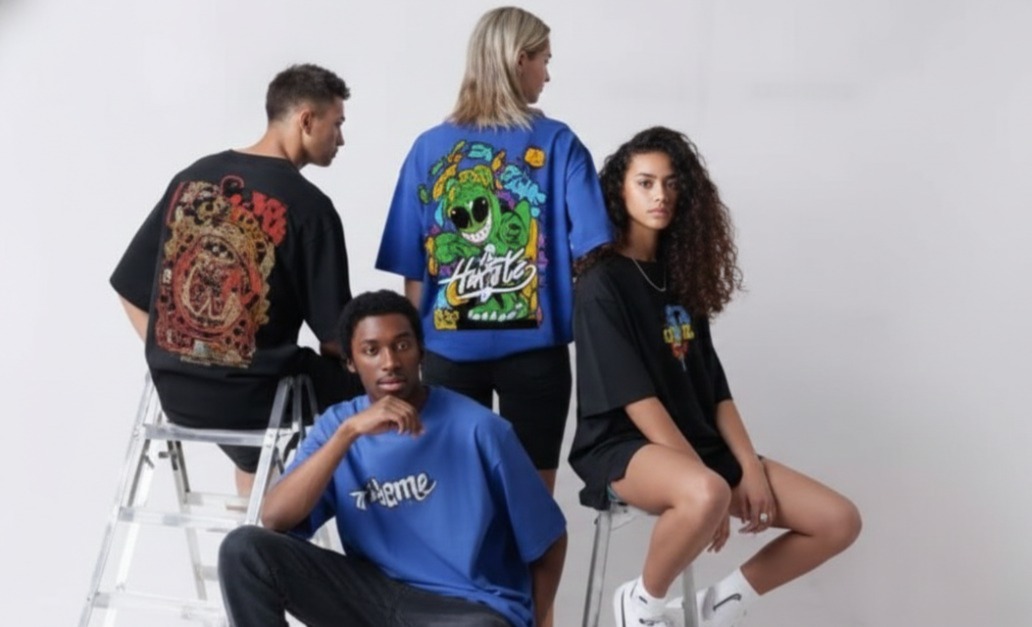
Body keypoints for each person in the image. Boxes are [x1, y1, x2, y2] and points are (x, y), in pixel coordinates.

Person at [568, 127, 862, 627]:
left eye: (671, 183)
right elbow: (637, 400)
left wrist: (747, 467)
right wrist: (711, 487)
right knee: (706, 492)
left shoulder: (679, 276)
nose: (660, 195)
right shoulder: (601, 283)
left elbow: (716, 390)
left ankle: (717, 606)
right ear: (619, 191)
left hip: (696, 440)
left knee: (837, 520)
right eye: (645, 182)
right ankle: (640, 604)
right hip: (623, 443)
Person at [218, 290, 568, 627]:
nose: (390, 362)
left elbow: (550, 541)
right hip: (372, 598)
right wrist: (347, 434)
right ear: (351, 362)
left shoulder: (480, 430)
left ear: (421, 352)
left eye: (401, 346)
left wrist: (535, 622)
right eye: (371, 350)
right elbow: (274, 518)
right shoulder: (339, 426)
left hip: (461, 608)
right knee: (244, 550)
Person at [375, 6, 613, 500]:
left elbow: (414, 271)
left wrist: (415, 352)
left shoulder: (428, 148)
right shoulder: (558, 143)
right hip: (536, 355)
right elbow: (594, 249)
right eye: (545, 60)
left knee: (459, 498)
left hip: (446, 354)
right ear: (519, 59)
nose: (548, 75)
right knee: (532, 502)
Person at [110, 63, 359, 495]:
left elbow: (127, 287)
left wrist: (177, 352)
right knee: (384, 388)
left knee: (259, 447)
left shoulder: (192, 178)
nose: (340, 139)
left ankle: (254, 518)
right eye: (336, 124)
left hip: (176, 394)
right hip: (255, 398)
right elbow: (337, 338)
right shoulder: (310, 208)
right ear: (306, 120)